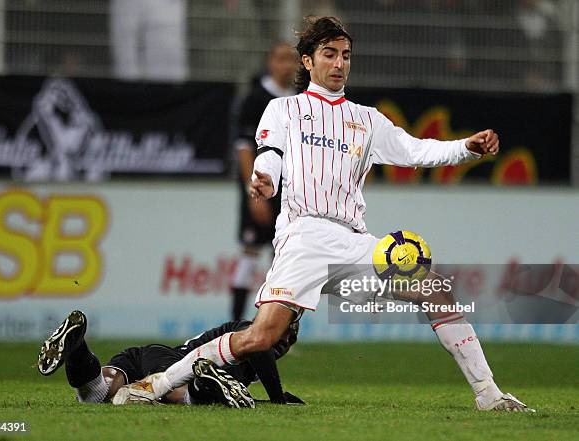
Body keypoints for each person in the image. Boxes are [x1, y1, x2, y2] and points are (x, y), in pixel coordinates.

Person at [115, 16, 534, 412]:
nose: (339, 63)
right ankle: (158, 383)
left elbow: (418, 151)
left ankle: (489, 394)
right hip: (304, 236)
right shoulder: (284, 110)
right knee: (262, 336)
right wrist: (264, 180)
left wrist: (466, 147)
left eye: (345, 55)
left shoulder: (366, 120)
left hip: (353, 240)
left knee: (433, 287)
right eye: (330, 53)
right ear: (308, 60)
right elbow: (270, 155)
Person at [37, 310, 302, 408]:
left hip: (141, 356)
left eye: (291, 341)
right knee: (180, 393)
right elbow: (260, 350)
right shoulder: (252, 331)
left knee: (95, 392)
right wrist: (277, 397)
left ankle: (78, 347)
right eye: (283, 334)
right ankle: (202, 379)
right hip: (174, 363)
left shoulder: (253, 340)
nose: (284, 342)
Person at [230, 42, 298, 321]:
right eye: (281, 59)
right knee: (250, 251)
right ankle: (233, 324)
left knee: (282, 256)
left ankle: (273, 328)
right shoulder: (256, 99)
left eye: (292, 60)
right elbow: (244, 148)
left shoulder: (299, 99)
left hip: (288, 189)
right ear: (270, 62)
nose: (287, 65)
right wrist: (253, 191)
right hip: (259, 187)